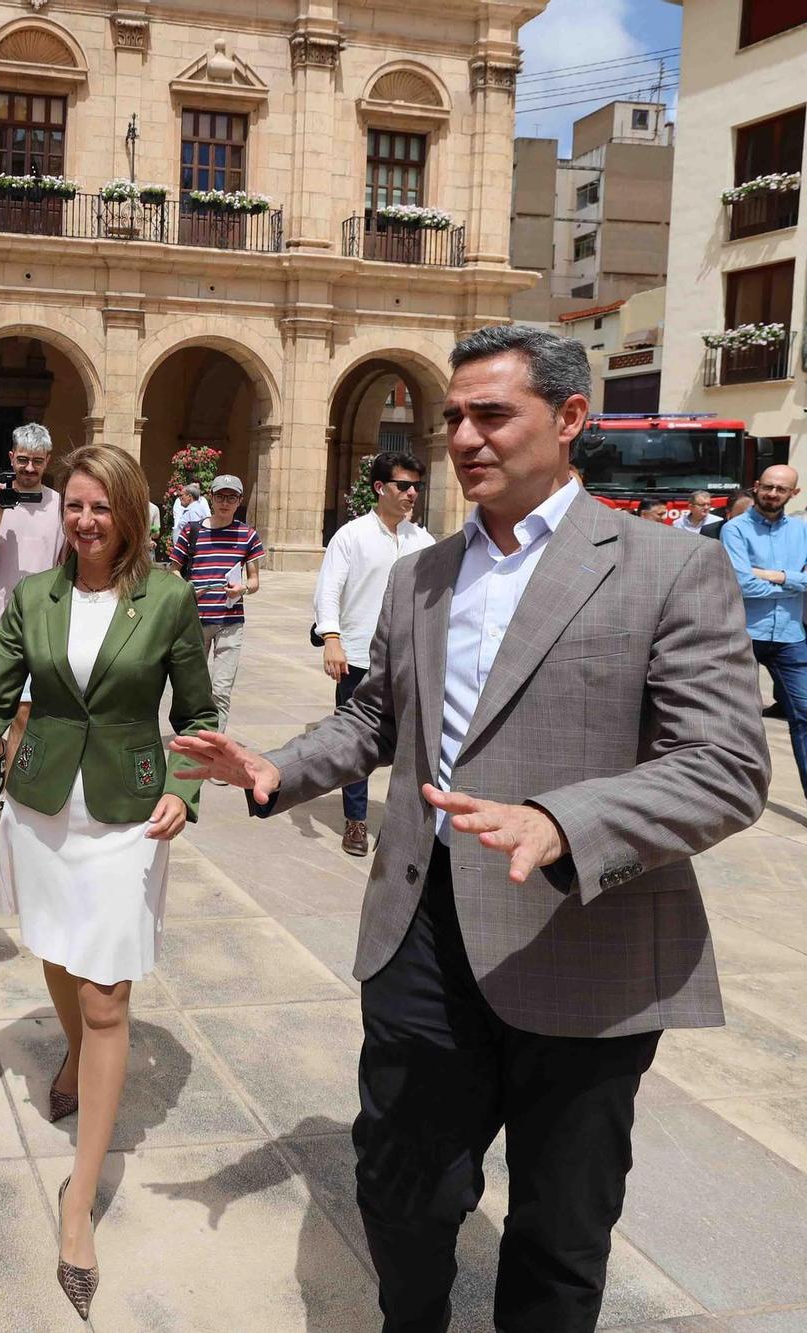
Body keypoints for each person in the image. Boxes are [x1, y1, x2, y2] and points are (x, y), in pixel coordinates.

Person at [171, 324, 771, 1333]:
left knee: (558, 1230)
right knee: (402, 1192)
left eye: (490, 413)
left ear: (569, 419)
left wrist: (562, 820)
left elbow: (724, 765)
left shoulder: (667, 568)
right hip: (422, 934)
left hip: (582, 941)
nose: (462, 436)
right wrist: (279, 767)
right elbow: (375, 717)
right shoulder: (422, 575)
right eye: (452, 416)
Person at [0, 445, 215, 1321]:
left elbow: (199, 715)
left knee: (107, 997)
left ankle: (77, 1199)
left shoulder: (167, 598)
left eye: (102, 507)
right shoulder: (35, 600)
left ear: (130, 513)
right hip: (45, 806)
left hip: (127, 815)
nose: (86, 521)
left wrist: (184, 785)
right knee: (56, 952)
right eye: (77, 506)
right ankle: (71, 1054)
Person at [314, 451, 436, 858]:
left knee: (413, 747)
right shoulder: (351, 536)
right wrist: (331, 637)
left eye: (416, 485)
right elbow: (328, 589)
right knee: (355, 744)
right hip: (358, 659)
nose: (412, 493)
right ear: (380, 488)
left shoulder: (423, 541)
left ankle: (405, 826)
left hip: (410, 659)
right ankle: (355, 820)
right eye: (404, 485)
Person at [0, 423, 68, 797]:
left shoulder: (60, 505)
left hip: (40, 625)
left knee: (24, 712)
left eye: (36, 462)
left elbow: (66, 561)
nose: (28, 469)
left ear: (47, 462)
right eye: (22, 460)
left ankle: (11, 800)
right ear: (11, 457)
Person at [721, 464, 807, 794]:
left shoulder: (801, 531)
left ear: (793, 493)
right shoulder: (736, 529)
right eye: (767, 486)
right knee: (735, 718)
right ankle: (730, 791)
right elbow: (742, 584)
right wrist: (795, 581)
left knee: (804, 716)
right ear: (756, 486)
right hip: (746, 633)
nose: (772, 493)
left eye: (781, 489)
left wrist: (774, 575)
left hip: (790, 635)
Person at [169, 474, 264, 739]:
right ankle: (192, 736)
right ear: (211, 497)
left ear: (239, 501)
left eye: (231, 497)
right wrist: (187, 590)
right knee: (194, 687)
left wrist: (242, 588)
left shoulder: (248, 535)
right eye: (220, 496)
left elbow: (255, 580)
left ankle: (214, 747)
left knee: (221, 689)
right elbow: (174, 570)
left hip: (231, 622)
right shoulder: (192, 530)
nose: (225, 502)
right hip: (196, 621)